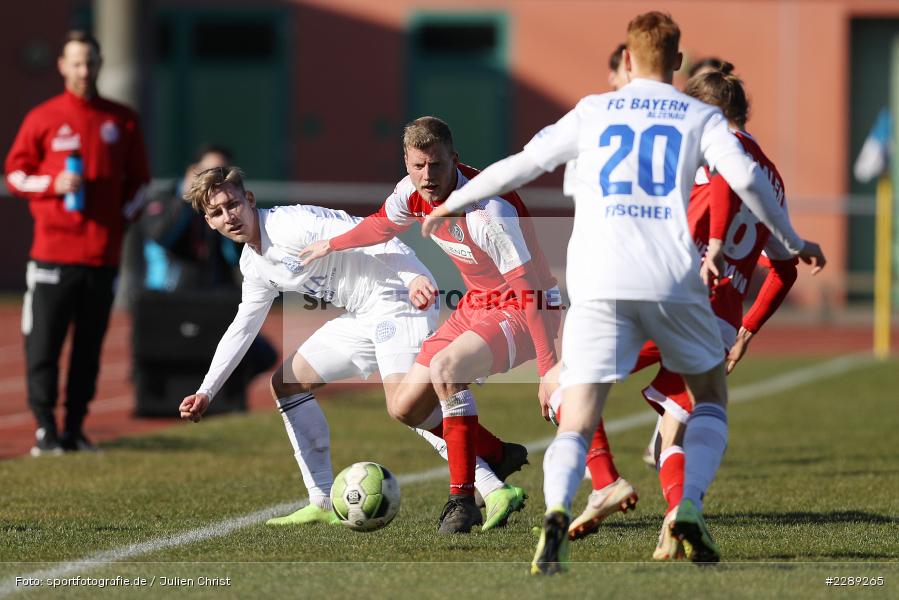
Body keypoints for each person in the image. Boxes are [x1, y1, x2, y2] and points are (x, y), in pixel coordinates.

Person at [422, 11, 825, 572]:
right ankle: (685, 506)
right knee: (708, 401)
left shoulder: (593, 110)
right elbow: (749, 179)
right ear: (678, 64)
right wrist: (792, 238)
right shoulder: (697, 115)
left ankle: (560, 511)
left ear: (628, 61)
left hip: (600, 282)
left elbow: (523, 163)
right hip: (672, 280)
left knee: (574, 408)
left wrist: (455, 201)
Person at [546, 62, 803, 557]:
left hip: (672, 294)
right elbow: (785, 269)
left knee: (564, 381)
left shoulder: (707, 151)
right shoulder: (772, 178)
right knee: (674, 430)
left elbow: (683, 218)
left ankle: (603, 481)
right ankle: (678, 516)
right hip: (723, 318)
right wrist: (747, 330)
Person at [177, 166, 525, 528]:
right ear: (209, 221)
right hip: (362, 313)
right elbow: (243, 327)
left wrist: (413, 276)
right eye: (217, 212)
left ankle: (492, 485)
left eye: (232, 204)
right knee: (287, 383)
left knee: (404, 404)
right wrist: (206, 391)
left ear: (249, 200)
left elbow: (377, 232)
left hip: (396, 297)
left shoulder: (291, 225)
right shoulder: (253, 265)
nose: (228, 216)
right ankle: (323, 500)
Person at [299, 116, 560, 533]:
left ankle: (463, 500)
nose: (427, 176)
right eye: (418, 166)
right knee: (404, 406)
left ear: (454, 160)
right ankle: (496, 453)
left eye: (436, 165)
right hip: (477, 305)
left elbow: (530, 292)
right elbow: (382, 224)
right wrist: (331, 243)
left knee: (447, 369)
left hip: (524, 308)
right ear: (406, 161)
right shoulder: (412, 192)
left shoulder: (490, 210)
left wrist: (547, 371)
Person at [4, 30, 150, 455]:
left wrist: (119, 220)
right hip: (51, 255)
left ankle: (75, 429)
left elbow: (140, 183)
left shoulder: (121, 120)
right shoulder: (42, 117)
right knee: (43, 345)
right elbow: (14, 174)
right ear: (63, 66)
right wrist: (52, 182)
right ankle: (45, 431)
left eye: (90, 62)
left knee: (89, 348)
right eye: (76, 62)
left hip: (102, 256)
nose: (84, 70)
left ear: (99, 65)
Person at [138, 145, 277, 380]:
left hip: (218, 296)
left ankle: (227, 396)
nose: (216, 180)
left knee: (261, 354)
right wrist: (187, 201)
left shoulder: (229, 209)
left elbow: (237, 255)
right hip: (175, 298)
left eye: (223, 173)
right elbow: (163, 238)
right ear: (194, 171)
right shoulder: (165, 200)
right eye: (210, 171)